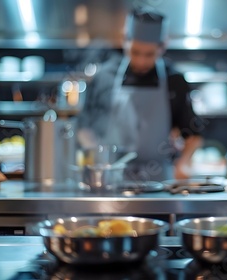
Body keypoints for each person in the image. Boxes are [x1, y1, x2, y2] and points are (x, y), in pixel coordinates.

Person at [77, 9, 203, 181]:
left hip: (159, 179)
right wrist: (96, 156)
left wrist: (183, 163)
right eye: (135, 52)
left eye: (149, 54)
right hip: (112, 178)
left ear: (163, 46)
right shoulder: (105, 77)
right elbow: (85, 127)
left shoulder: (175, 80)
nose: (141, 61)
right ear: (125, 40)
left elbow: (193, 133)